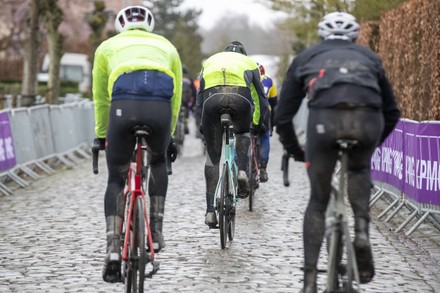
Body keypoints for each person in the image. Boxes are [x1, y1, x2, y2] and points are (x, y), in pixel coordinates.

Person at [274, 12, 400, 292]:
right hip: (367, 121)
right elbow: (392, 112)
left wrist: (296, 150)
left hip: (324, 123)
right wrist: (371, 145)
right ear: (355, 37)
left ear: (321, 36)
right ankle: (363, 232)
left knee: (318, 202)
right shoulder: (369, 58)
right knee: (358, 168)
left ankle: (309, 282)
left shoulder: (306, 57)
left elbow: (283, 116)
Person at [92, 5, 182, 283]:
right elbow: (176, 97)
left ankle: (113, 250)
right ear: (149, 26)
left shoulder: (106, 47)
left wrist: (101, 134)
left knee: (116, 179)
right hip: (160, 110)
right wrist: (170, 136)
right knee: (156, 162)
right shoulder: (167, 46)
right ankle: (154, 233)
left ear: (121, 26)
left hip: (122, 107)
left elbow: (101, 97)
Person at [197, 41, 267, 227]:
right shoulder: (250, 63)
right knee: (243, 133)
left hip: (212, 100)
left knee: (212, 158)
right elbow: (260, 97)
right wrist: (258, 122)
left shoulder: (210, 61)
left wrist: (201, 123)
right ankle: (242, 171)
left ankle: (210, 212)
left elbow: (200, 96)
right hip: (240, 99)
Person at [257, 63, 278, 182]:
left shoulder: (244, 78)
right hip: (264, 113)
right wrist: (273, 124)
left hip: (247, 112)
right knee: (265, 137)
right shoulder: (269, 81)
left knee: (240, 135)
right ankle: (263, 168)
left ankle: (239, 166)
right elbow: (274, 103)